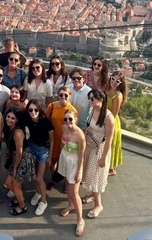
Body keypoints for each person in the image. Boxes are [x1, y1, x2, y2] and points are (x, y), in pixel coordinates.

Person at [81, 89, 115, 219]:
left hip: (99, 148)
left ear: (101, 100)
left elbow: (109, 140)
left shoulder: (108, 117)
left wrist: (103, 158)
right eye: (89, 98)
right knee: (89, 173)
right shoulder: (92, 110)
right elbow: (90, 126)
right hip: (90, 144)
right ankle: (92, 195)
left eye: (92, 99)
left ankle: (98, 204)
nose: (90, 101)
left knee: (95, 176)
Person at [58, 110, 86, 238]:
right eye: (65, 119)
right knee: (68, 188)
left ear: (76, 119)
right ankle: (70, 206)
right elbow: (62, 144)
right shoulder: (64, 128)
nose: (68, 122)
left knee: (74, 193)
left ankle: (80, 220)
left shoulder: (80, 135)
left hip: (75, 162)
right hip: (65, 158)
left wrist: (79, 171)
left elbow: (81, 155)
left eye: (70, 119)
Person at [23, 99, 53, 216]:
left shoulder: (45, 122)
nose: (33, 112)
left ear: (40, 110)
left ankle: (43, 201)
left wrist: (50, 156)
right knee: (34, 175)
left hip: (43, 150)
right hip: (32, 147)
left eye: (36, 110)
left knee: (39, 178)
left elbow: (52, 140)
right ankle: (38, 192)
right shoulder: (27, 119)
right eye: (30, 110)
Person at [3, 108, 36, 216]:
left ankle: (22, 206)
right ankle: (18, 198)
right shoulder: (9, 128)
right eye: (8, 116)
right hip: (17, 158)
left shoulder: (17, 132)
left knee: (16, 185)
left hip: (23, 159)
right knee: (8, 183)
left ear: (17, 120)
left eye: (13, 118)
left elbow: (20, 153)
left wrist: (15, 169)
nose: (9, 119)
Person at [46, 86, 77, 189]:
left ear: (69, 97)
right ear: (58, 96)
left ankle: (65, 182)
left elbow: (74, 127)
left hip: (66, 140)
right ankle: (53, 179)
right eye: (61, 95)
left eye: (66, 95)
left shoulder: (72, 110)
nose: (63, 97)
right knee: (53, 161)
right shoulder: (52, 106)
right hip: (53, 138)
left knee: (66, 162)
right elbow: (46, 121)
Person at [106, 70, 127, 176]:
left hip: (111, 121)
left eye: (117, 81)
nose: (114, 82)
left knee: (111, 144)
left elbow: (113, 115)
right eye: (113, 79)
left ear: (121, 84)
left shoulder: (118, 96)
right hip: (104, 118)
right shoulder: (107, 89)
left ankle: (111, 168)